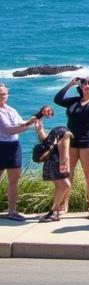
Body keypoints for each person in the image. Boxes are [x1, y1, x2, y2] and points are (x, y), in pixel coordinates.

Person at [54, 75, 89, 220]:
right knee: (67, 174)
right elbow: (58, 100)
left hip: (88, 142)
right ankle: (65, 205)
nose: (87, 85)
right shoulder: (75, 101)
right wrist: (70, 84)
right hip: (71, 141)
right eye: (85, 83)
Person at [0, 86, 54, 221]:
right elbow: (9, 130)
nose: (3, 96)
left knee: (14, 181)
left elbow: (21, 123)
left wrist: (38, 116)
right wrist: (29, 126)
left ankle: (12, 211)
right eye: (0, 94)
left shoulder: (10, 109)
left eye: (5, 93)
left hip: (13, 147)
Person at [32, 116, 72, 222]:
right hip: (56, 164)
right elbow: (65, 155)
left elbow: (45, 141)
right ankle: (53, 212)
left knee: (60, 187)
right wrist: (65, 170)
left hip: (50, 164)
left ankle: (55, 213)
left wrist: (39, 129)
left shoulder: (53, 138)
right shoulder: (66, 134)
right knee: (65, 185)